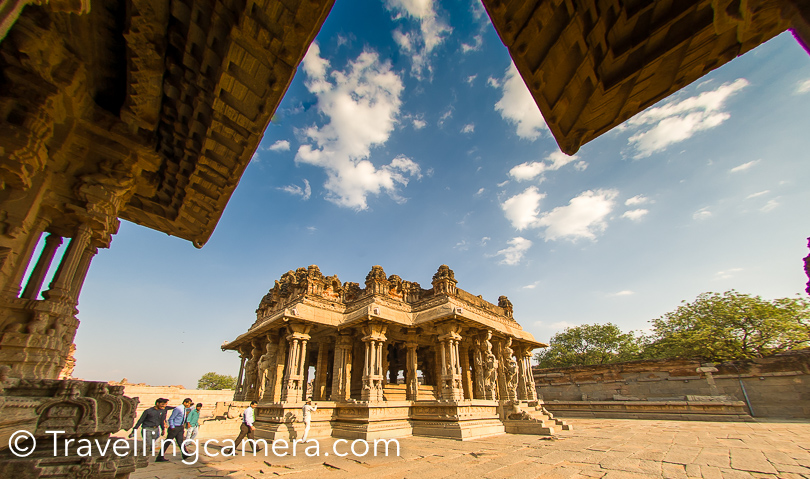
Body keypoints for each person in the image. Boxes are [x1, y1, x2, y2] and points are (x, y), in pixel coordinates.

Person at [131, 398, 169, 462]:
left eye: (165, 405)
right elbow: (140, 420)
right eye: (162, 404)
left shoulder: (162, 411)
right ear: (157, 403)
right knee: (148, 443)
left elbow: (161, 421)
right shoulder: (148, 411)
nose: (164, 406)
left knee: (153, 442)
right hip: (147, 428)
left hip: (156, 429)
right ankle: (143, 457)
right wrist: (134, 430)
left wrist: (163, 429)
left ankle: (144, 453)